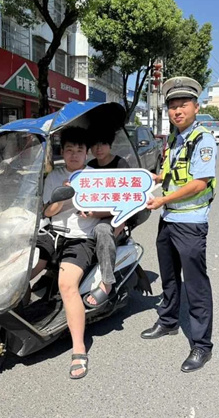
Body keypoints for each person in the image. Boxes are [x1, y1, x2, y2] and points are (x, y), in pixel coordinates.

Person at [141, 76, 218, 373]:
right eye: (172, 106)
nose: (177, 110)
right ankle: (169, 321)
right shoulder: (175, 138)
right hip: (169, 219)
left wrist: (163, 199)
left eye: (183, 104)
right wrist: (154, 178)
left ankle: (201, 345)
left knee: (196, 285)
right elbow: (173, 173)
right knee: (170, 277)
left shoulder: (202, 139)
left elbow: (199, 183)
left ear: (196, 107)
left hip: (190, 222)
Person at [30, 126, 110, 379]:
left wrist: (93, 212)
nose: (74, 155)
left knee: (66, 284)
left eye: (79, 150)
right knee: (24, 271)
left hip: (81, 238)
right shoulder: (54, 177)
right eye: (69, 150)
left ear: (87, 153)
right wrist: (63, 196)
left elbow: (110, 209)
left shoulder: (95, 177)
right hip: (52, 233)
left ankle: (78, 348)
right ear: (62, 152)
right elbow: (47, 212)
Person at [82, 127, 129, 308]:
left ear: (110, 145)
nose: (98, 148)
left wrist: (117, 221)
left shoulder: (121, 165)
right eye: (94, 145)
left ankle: (107, 283)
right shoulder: (90, 166)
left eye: (102, 144)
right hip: (92, 214)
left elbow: (127, 200)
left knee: (102, 230)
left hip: (114, 217)